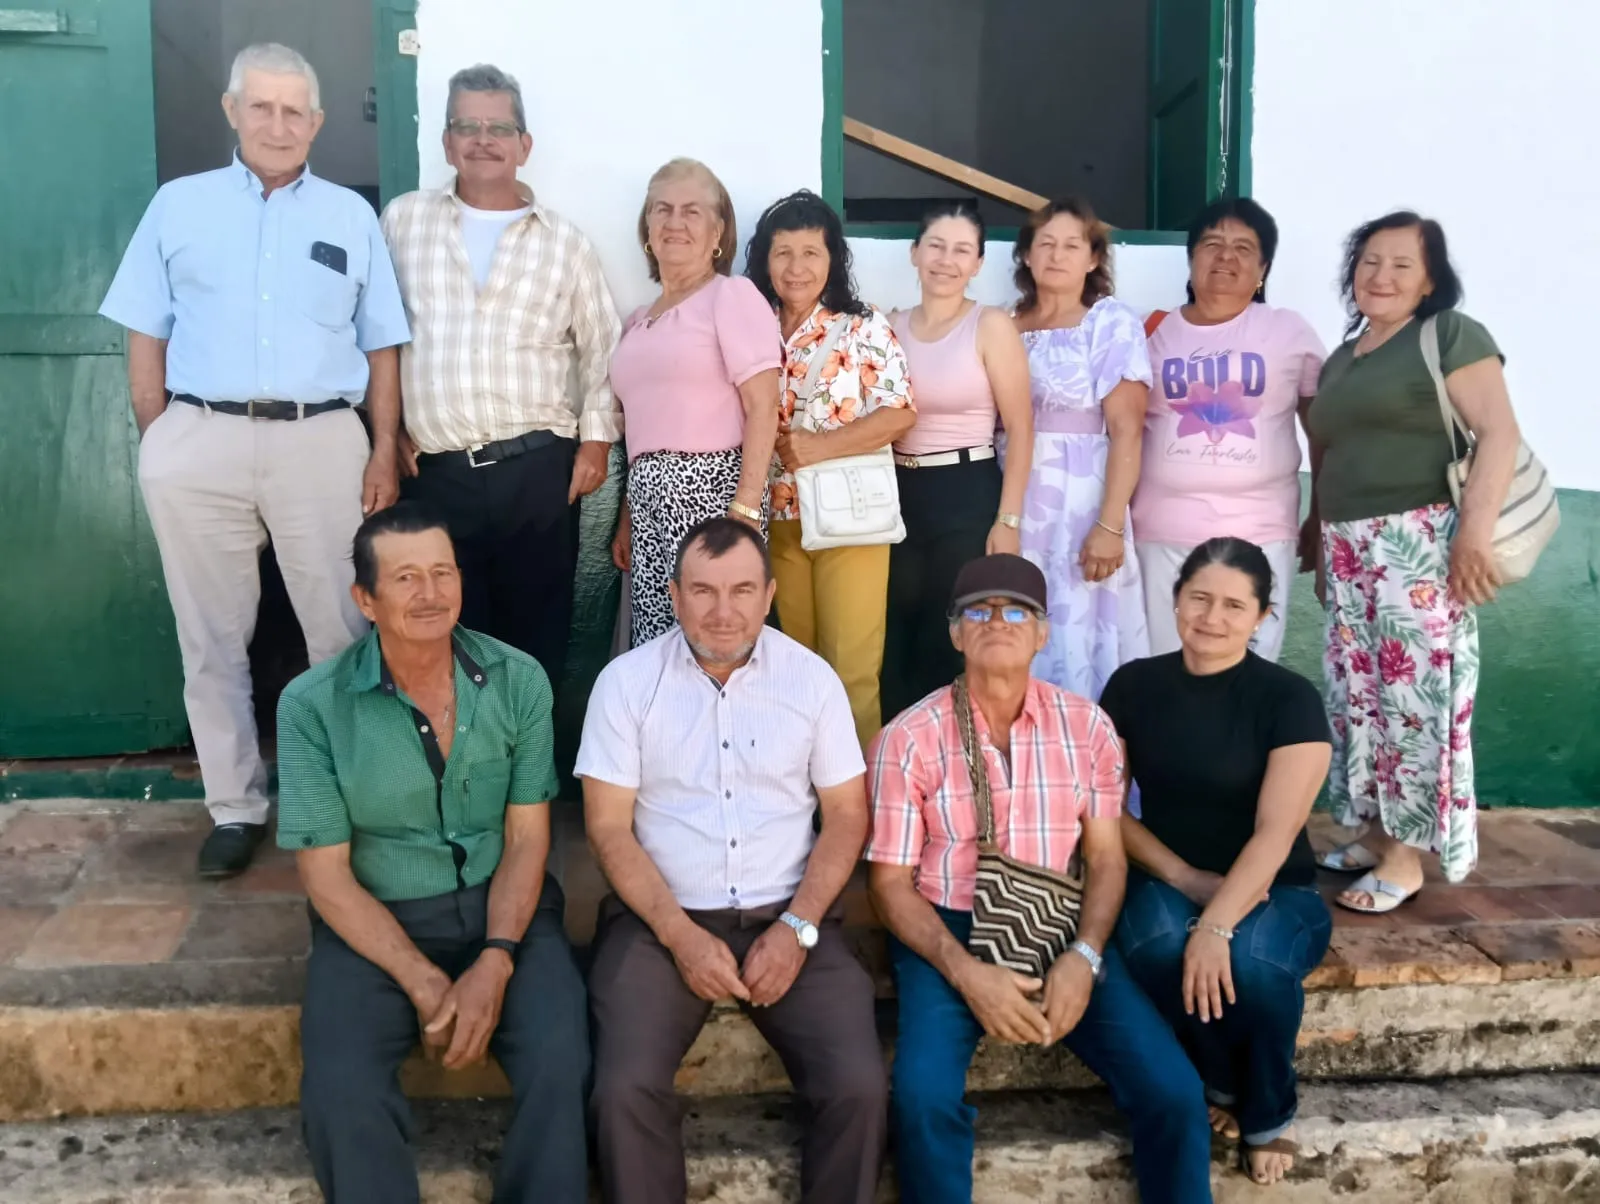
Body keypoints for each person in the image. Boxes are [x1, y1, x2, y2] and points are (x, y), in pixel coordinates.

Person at [99, 43, 410, 878]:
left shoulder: (350, 215)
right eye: (261, 107)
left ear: (316, 122)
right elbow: (144, 331)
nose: (278, 124)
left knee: (343, 631)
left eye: (294, 110)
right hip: (201, 437)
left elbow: (382, 345)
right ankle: (235, 807)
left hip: (321, 437)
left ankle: (346, 803)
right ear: (233, 112)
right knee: (212, 637)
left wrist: (383, 445)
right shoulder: (178, 206)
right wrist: (159, 435)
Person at [867, 553, 1213, 1204]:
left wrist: (1084, 957)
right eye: (979, 611)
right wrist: (966, 973)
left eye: (1016, 611)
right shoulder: (908, 738)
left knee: (1173, 1089)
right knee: (920, 1099)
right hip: (947, 924)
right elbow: (889, 886)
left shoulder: (1087, 727)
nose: (998, 622)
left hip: (1060, 923)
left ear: (1043, 632)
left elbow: (1107, 859)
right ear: (955, 633)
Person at [275, 503, 589, 1204]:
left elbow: (527, 837)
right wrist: (421, 980)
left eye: (443, 573)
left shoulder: (519, 680)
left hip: (507, 908)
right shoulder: (312, 707)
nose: (430, 594)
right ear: (365, 599)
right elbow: (326, 878)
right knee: (340, 1087)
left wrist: (498, 955)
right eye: (407, 578)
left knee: (563, 1058)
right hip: (376, 922)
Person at [578, 517, 887, 1204]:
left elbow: (846, 818)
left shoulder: (812, 682)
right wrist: (681, 936)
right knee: (623, 1088)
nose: (724, 611)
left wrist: (799, 927)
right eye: (704, 591)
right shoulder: (626, 684)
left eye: (743, 590)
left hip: (792, 916)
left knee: (859, 1089)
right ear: (674, 595)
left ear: (769, 594)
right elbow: (607, 829)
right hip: (661, 921)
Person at [1304, 212, 1522, 909]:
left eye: (1401, 263)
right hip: (1347, 548)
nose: (1382, 276)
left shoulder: (1449, 336)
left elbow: (1499, 432)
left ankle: (1406, 856)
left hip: (1419, 544)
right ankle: (1374, 828)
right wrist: (1316, 529)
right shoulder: (1346, 356)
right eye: (1369, 261)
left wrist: (1473, 534)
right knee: (1357, 696)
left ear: (1430, 277)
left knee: (1413, 701)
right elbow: (1328, 451)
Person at [1100, 538, 1333, 1188]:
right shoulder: (1134, 684)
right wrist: (1183, 880)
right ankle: (1216, 1076)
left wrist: (1216, 921)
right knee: (1151, 945)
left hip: (1273, 885)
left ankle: (1267, 1111)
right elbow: (1107, 810)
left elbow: (1277, 830)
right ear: (1176, 600)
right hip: (1171, 871)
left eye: (1235, 605)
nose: (1212, 616)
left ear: (1261, 616)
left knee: (1253, 965)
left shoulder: (1288, 698)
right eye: (1199, 597)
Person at [380, 64, 621, 686]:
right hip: (434, 475)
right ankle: (462, 775)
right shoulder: (403, 224)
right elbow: (370, 336)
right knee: (443, 634)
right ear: (446, 140)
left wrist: (594, 442)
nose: (482, 139)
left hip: (536, 471)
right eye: (466, 125)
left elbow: (602, 349)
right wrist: (384, 430)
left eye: (497, 127)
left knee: (535, 636)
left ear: (524, 145)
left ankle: (528, 777)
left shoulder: (564, 242)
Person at [744, 189, 916, 746]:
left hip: (851, 521)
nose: (796, 268)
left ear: (832, 259)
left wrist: (821, 447)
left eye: (811, 253)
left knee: (851, 671)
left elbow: (900, 413)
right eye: (783, 252)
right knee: (796, 666)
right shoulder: (750, 325)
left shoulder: (863, 328)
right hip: (779, 517)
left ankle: (860, 811)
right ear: (764, 259)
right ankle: (804, 797)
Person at [1134, 198, 1325, 662]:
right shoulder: (1150, 332)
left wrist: (1319, 516)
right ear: (1192, 257)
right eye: (1212, 244)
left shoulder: (1289, 331)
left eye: (1243, 247)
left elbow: (1323, 432)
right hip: (1162, 533)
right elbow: (1122, 431)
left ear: (1263, 268)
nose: (1226, 256)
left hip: (1260, 531)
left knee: (1249, 673)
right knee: (1166, 670)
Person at [609, 159, 782, 647]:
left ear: (718, 230)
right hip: (646, 499)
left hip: (712, 491)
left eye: (691, 211)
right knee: (655, 641)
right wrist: (628, 513)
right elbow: (642, 427)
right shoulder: (637, 320)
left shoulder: (731, 296)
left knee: (714, 634)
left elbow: (763, 406)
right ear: (647, 227)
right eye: (661, 209)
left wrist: (746, 509)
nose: (674, 222)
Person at [883, 205, 1034, 718]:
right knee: (891, 637)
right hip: (898, 495)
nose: (946, 260)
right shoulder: (887, 327)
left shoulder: (990, 326)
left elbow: (1021, 428)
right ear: (914, 253)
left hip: (967, 492)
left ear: (977, 264)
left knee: (944, 637)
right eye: (936, 246)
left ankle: (952, 769)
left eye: (961, 250)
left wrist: (1007, 520)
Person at [1008, 196, 1151, 699]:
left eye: (1072, 245)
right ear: (1026, 254)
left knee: (1077, 631)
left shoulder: (1108, 322)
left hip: (1079, 504)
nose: (1057, 254)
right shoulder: (1006, 324)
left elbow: (1128, 430)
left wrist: (1109, 525)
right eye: (1045, 243)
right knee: (1015, 624)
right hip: (1013, 501)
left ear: (1093, 259)